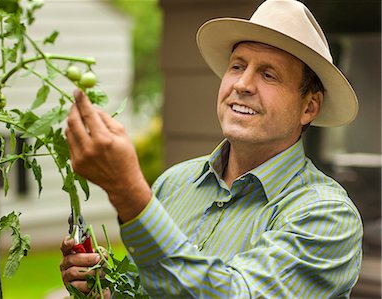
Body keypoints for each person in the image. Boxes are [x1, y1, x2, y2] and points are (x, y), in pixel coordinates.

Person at [60, 0, 363, 297]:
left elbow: (236, 293)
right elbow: (157, 288)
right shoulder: (174, 182)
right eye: (237, 66)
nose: (242, 84)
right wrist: (108, 287)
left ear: (309, 106)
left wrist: (129, 193)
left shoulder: (327, 215)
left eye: (268, 74)